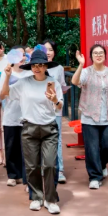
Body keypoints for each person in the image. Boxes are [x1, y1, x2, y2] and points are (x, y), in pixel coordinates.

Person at [1, 49, 63, 214]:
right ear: (30, 67)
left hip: (49, 128)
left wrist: (55, 99)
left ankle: (50, 199)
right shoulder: (23, 83)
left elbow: (59, 107)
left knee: (50, 164)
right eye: (34, 65)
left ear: (46, 66)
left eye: (41, 65)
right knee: (32, 165)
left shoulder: (53, 83)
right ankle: (36, 197)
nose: (37, 68)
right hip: (29, 127)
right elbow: (5, 93)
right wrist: (7, 76)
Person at [71, 45, 108, 190]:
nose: (98, 55)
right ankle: (95, 177)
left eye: (101, 53)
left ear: (105, 55)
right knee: (92, 148)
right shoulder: (86, 72)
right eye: (95, 53)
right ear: (91, 56)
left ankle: (101, 164)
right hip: (89, 116)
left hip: (107, 116)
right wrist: (80, 65)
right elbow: (75, 82)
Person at [0, 46, 31, 187]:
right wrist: (7, 76)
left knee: (27, 149)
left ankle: (27, 178)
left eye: (23, 55)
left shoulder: (30, 73)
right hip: (11, 116)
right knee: (11, 147)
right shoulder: (6, 72)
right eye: (18, 55)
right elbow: (1, 95)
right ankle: (13, 175)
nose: (21, 58)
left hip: (28, 117)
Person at [43, 39, 68, 184]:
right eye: (45, 49)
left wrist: (57, 95)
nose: (48, 52)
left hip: (55, 109)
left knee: (57, 140)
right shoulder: (36, 67)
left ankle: (60, 170)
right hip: (40, 110)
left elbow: (62, 86)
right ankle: (44, 169)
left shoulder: (59, 68)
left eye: (51, 49)